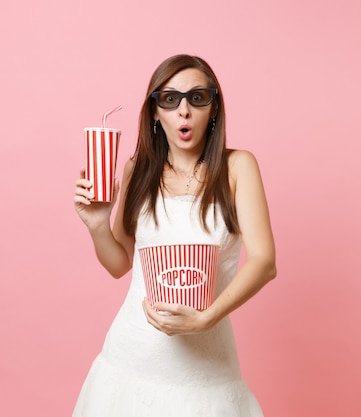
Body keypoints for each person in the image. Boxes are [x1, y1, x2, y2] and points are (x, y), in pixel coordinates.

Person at [72, 54, 276, 416]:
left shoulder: (238, 167)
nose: (184, 110)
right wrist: (97, 225)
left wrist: (208, 317)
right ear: (155, 112)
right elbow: (119, 265)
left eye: (197, 97)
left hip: (207, 369)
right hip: (129, 362)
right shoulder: (138, 170)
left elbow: (264, 262)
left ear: (213, 108)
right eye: (170, 99)